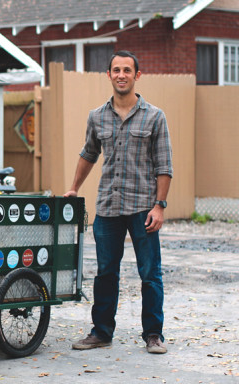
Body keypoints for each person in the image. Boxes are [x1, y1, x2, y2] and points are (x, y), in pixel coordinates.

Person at [64, 51, 173, 354]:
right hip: (109, 208)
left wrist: (159, 205)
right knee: (105, 273)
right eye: (116, 70)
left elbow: (164, 165)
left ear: (137, 75)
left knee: (150, 274)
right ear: (109, 75)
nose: (121, 75)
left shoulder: (155, 116)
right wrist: (73, 188)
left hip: (143, 209)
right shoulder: (97, 116)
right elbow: (88, 154)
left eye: (127, 70)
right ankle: (101, 332)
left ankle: (153, 335)